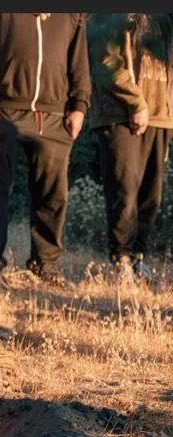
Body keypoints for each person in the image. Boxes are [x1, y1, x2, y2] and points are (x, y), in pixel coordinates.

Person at [0, 13, 91, 286]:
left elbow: (79, 57)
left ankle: (45, 264)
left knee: (53, 193)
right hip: (6, 108)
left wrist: (79, 105)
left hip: (55, 114)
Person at [87, 13, 173, 284]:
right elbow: (107, 60)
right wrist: (137, 103)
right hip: (121, 114)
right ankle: (121, 259)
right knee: (124, 190)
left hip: (162, 115)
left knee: (152, 196)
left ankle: (138, 258)